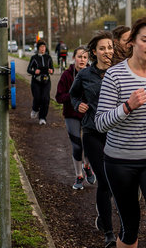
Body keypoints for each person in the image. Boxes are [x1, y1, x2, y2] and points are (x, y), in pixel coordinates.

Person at [95, 17, 146, 248]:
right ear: (132, 42)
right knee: (129, 228)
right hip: (120, 161)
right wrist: (127, 107)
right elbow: (100, 123)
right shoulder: (115, 75)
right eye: (145, 40)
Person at [69, 31, 116, 247]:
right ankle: (108, 231)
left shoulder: (119, 73)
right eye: (103, 48)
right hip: (92, 133)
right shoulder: (85, 75)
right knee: (105, 181)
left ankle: (106, 219)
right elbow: (73, 94)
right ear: (94, 52)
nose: (107, 51)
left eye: (110, 47)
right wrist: (78, 104)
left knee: (119, 182)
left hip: (116, 134)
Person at [55, 45, 96, 190]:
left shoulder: (93, 73)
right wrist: (75, 99)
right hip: (71, 114)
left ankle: (87, 166)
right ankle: (79, 175)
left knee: (90, 145)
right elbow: (58, 97)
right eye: (79, 57)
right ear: (74, 58)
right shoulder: (67, 75)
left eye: (85, 57)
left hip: (89, 115)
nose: (82, 60)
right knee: (77, 146)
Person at [27, 40, 54, 125]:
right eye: (41, 47)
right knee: (37, 97)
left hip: (46, 81)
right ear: (38, 48)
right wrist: (34, 71)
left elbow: (52, 69)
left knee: (45, 99)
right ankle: (35, 109)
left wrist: (51, 71)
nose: (43, 49)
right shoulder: (34, 58)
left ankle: (42, 118)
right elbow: (28, 69)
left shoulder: (48, 57)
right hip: (36, 81)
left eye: (44, 47)